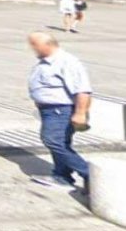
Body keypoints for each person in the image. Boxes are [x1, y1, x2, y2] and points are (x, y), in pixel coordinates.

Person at [26, 32, 91, 191]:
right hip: (50, 110)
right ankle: (62, 176)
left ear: (48, 44)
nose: (32, 48)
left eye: (35, 45)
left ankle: (89, 174)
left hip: (60, 110)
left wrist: (80, 113)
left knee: (53, 141)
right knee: (60, 143)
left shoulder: (66, 62)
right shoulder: (46, 62)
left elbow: (83, 90)